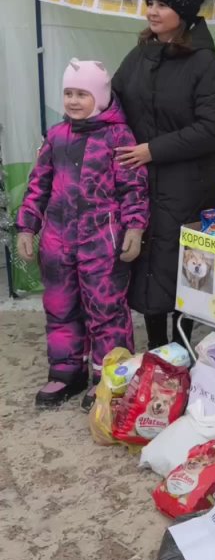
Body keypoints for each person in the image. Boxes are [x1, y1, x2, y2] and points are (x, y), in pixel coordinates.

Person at [16, 59, 148, 410]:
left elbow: (133, 187)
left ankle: (108, 376)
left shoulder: (118, 136)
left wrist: (135, 226)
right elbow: (37, 185)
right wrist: (27, 225)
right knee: (59, 307)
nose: (73, 101)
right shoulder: (56, 136)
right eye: (69, 93)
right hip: (57, 240)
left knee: (106, 310)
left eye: (82, 94)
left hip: (101, 240)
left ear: (101, 97)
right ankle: (66, 371)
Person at [113, 0, 215, 350]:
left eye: (162, 5)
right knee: (148, 265)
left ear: (182, 12)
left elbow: (212, 129)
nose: (152, 11)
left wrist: (153, 149)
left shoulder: (204, 63)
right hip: (143, 181)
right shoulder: (140, 54)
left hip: (189, 185)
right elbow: (112, 103)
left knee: (184, 269)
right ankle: (157, 350)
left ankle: (180, 350)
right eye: (150, 3)